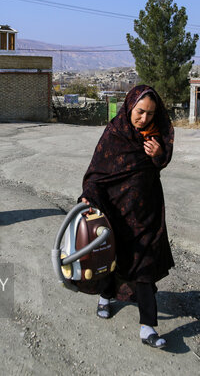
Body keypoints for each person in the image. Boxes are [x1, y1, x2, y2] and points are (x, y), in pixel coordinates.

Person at [79, 85, 174, 348]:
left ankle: (148, 327)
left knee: (143, 269)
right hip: (114, 213)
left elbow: (162, 161)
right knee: (112, 259)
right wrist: (88, 196)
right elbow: (96, 173)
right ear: (129, 107)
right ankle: (106, 297)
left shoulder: (156, 135)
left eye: (150, 114)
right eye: (140, 112)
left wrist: (158, 155)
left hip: (147, 214)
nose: (144, 119)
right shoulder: (114, 134)